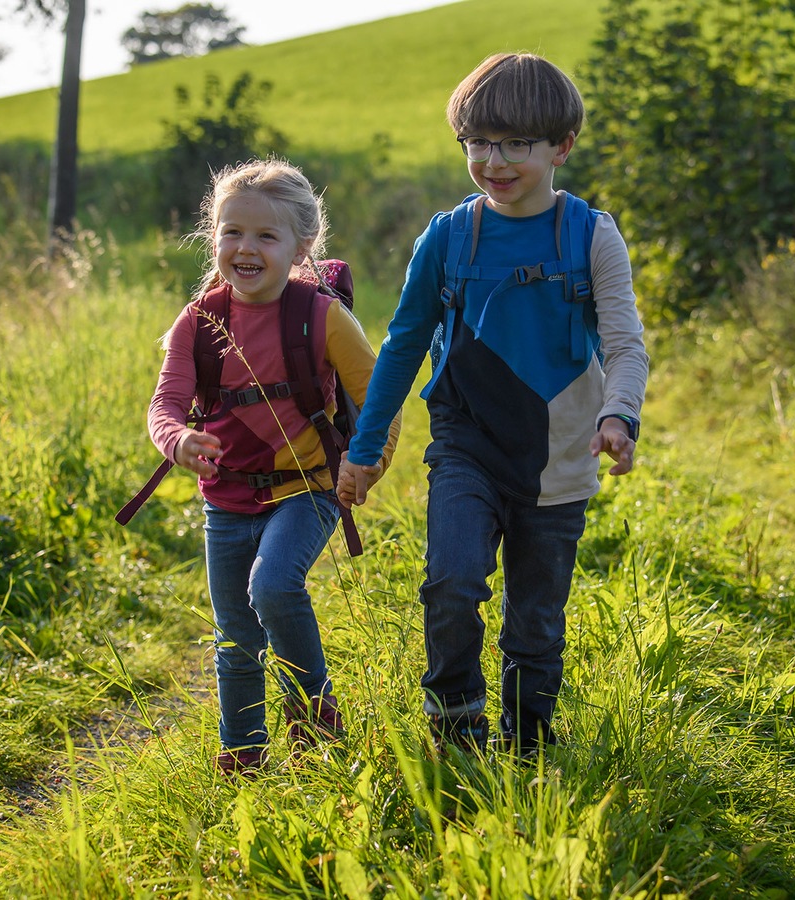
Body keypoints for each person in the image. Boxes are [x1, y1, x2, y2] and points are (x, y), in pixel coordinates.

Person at [337, 53, 649, 758]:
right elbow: (403, 343)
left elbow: (625, 344)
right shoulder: (448, 236)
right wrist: (364, 449)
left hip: (560, 454)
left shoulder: (592, 235)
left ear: (561, 146)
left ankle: (530, 741)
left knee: (534, 621)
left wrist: (618, 415)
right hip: (465, 442)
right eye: (477, 143)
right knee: (450, 581)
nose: (492, 160)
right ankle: (456, 730)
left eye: (514, 144)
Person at [147, 158, 400, 775]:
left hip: (308, 489)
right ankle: (243, 757)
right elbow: (165, 404)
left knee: (273, 585)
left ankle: (314, 714)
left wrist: (366, 464)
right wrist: (176, 439)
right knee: (235, 640)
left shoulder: (322, 316)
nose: (246, 247)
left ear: (300, 246)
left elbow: (380, 400)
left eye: (266, 235)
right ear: (214, 238)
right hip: (225, 501)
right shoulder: (198, 323)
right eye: (232, 232)